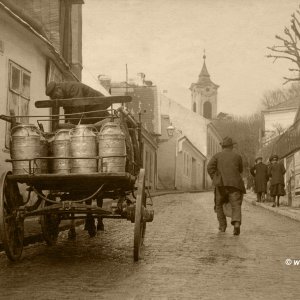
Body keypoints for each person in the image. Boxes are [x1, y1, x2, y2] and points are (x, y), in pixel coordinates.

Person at [207, 136, 246, 236]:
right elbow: (241, 170)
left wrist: (215, 178)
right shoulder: (237, 156)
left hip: (220, 185)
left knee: (219, 205)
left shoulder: (217, 156)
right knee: (236, 205)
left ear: (222, 146)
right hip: (235, 185)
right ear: (232, 146)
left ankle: (222, 226)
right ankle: (236, 224)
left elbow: (209, 167)